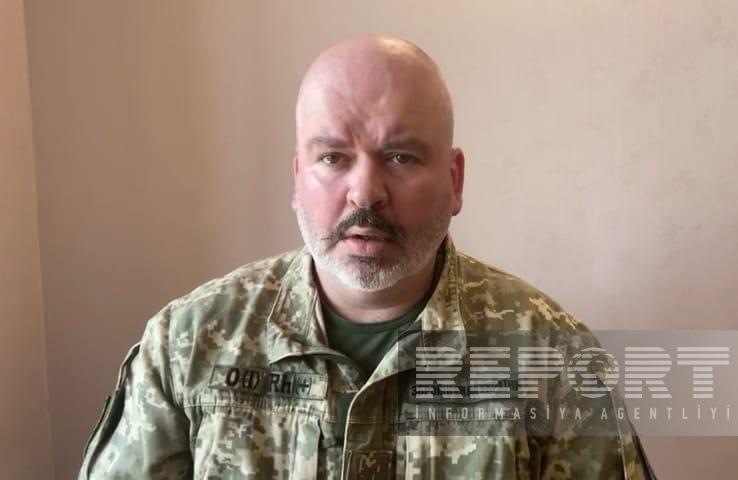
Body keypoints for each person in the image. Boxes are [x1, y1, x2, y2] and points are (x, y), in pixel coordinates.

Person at [80, 35, 655, 479]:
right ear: (298, 177)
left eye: (401, 157)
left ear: (454, 180)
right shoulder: (186, 344)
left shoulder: (552, 356)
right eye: (333, 157)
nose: (365, 192)